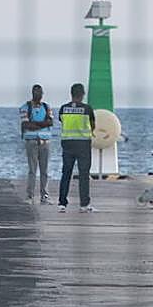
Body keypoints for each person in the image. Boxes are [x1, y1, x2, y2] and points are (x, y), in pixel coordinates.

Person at [57, 83, 95, 214]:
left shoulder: (63, 108)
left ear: (71, 94)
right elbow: (92, 124)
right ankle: (84, 204)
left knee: (66, 173)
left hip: (67, 143)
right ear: (83, 94)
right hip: (83, 144)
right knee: (83, 175)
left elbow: (61, 121)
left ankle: (62, 203)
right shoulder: (87, 109)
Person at [19, 84, 53, 205]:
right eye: (36, 92)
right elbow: (26, 125)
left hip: (45, 142)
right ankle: (30, 195)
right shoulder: (25, 107)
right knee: (32, 170)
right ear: (32, 93)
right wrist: (42, 123)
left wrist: (36, 123)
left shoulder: (46, 107)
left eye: (40, 92)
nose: (38, 95)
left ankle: (45, 195)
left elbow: (51, 122)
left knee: (45, 171)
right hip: (32, 141)